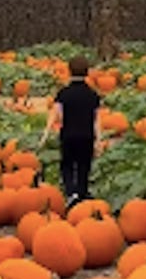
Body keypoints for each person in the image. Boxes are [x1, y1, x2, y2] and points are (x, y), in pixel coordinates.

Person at [39, 56, 102, 207]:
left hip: (68, 135)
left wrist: (45, 134)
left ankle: (71, 192)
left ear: (69, 71)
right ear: (87, 72)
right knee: (84, 165)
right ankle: (82, 192)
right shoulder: (93, 95)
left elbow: (55, 115)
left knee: (67, 164)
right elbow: (97, 120)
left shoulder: (64, 94)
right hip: (87, 136)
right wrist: (99, 140)